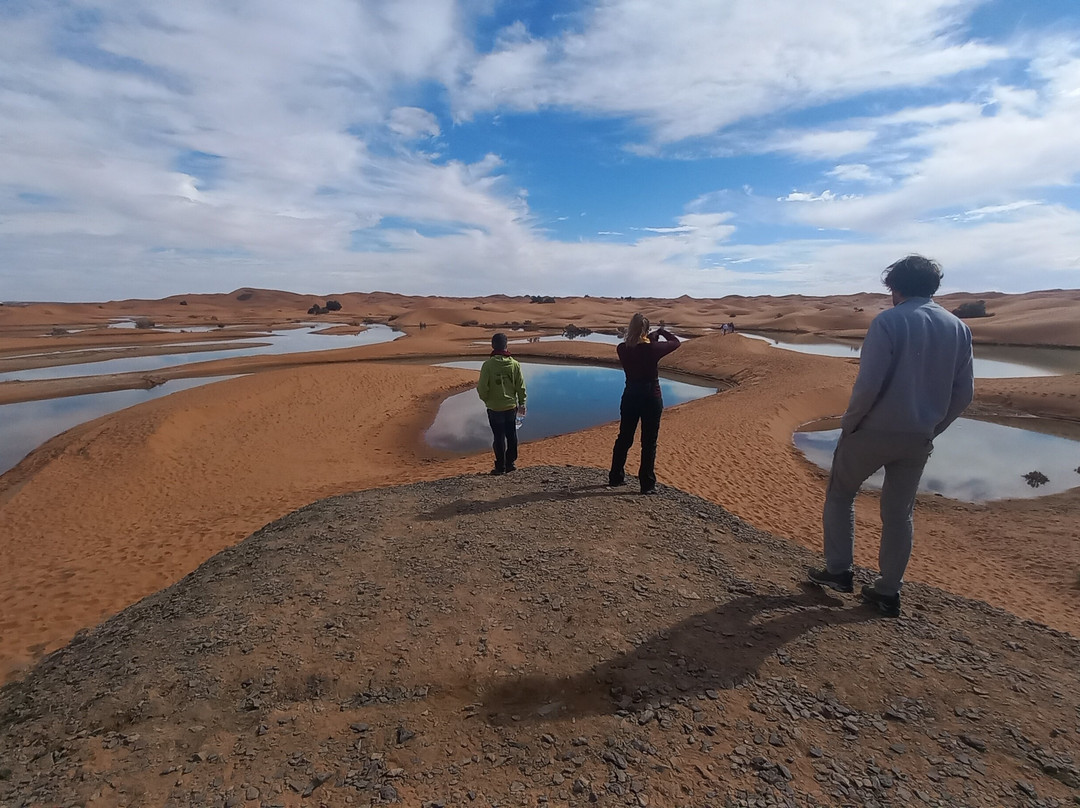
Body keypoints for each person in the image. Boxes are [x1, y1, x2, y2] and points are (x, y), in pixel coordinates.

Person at [808, 255, 974, 617]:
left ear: (894, 287)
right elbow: (964, 393)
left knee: (840, 495)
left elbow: (868, 385)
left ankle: (838, 571)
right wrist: (934, 428)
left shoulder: (889, 321)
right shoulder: (958, 327)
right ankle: (888, 590)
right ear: (934, 287)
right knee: (900, 513)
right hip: (919, 437)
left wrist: (849, 424)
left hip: (873, 430)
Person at [609, 314, 681, 494]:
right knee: (649, 442)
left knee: (624, 437)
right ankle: (647, 485)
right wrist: (662, 332)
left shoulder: (622, 348)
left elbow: (638, 346)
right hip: (651, 398)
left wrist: (650, 337)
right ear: (646, 330)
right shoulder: (653, 348)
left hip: (630, 396)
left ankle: (615, 477)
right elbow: (675, 342)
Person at [477, 333, 527, 476]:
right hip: (511, 406)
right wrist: (522, 403)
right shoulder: (515, 364)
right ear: (506, 345)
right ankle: (510, 463)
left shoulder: (487, 365)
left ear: (493, 346)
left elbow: (482, 388)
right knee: (511, 435)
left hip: (494, 408)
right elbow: (521, 387)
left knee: (498, 436)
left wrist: (487, 400)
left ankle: (500, 467)